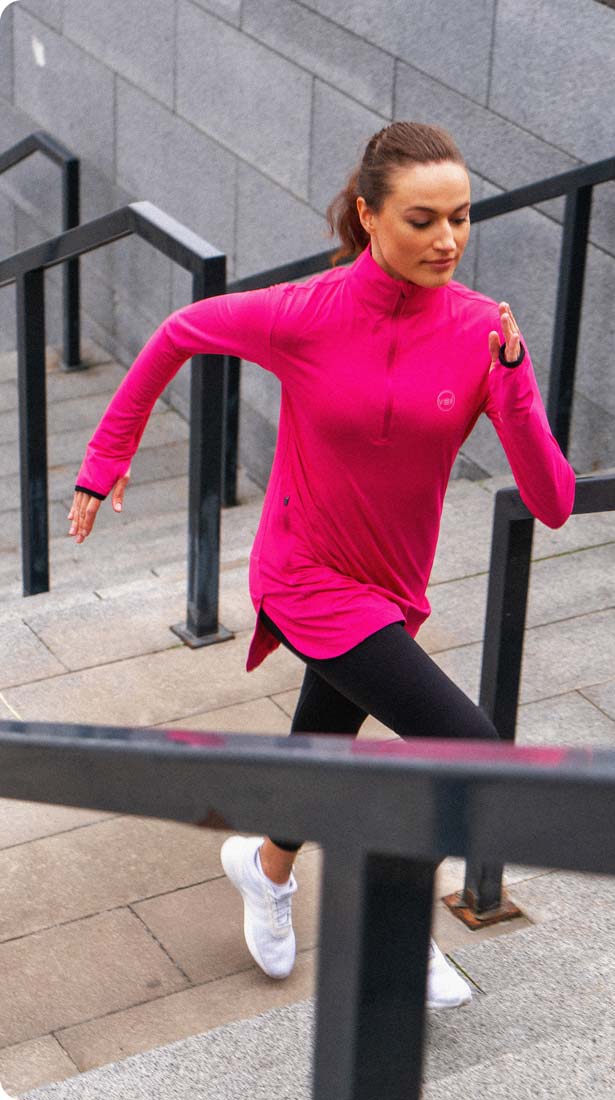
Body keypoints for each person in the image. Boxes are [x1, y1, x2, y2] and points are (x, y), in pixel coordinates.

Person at [66, 121, 576, 1008]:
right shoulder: (305, 313)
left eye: (461, 217)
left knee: (326, 736)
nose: (447, 240)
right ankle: (390, 927)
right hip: (305, 573)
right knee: (475, 752)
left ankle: (264, 866)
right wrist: (107, 459)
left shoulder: (480, 332)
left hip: (391, 581)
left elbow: (554, 501)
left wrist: (518, 378)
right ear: (369, 217)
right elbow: (181, 330)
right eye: (422, 219)